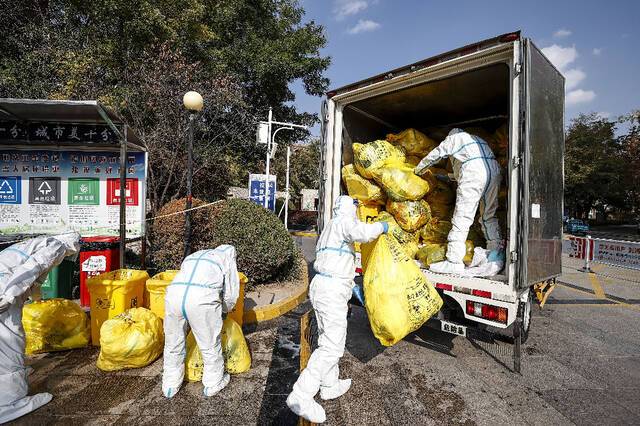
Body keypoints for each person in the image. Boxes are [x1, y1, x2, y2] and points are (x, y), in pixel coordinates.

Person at [286, 195, 388, 423]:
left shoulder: (330, 227)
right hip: (331, 290)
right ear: (349, 208)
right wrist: (383, 226)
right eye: (356, 207)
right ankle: (301, 395)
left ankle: (329, 385)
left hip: (325, 286)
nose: (357, 210)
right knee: (332, 347)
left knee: (326, 337)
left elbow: (336, 261)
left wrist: (352, 286)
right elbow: (363, 233)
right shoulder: (343, 221)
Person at [0, 233, 80, 423]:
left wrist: (32, 297)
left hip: (8, 289)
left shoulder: (34, 244)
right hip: (5, 292)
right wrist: (10, 295)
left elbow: (33, 275)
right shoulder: (57, 246)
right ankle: (12, 401)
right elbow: (33, 267)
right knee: (11, 344)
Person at [414, 128, 503, 274]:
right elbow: (473, 166)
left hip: (474, 173)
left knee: (462, 218)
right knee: (488, 216)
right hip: (493, 173)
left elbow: (437, 154)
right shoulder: (476, 141)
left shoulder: (455, 138)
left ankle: (453, 261)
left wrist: (419, 170)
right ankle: (495, 255)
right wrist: (446, 177)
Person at [162, 244, 239, 398]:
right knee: (209, 343)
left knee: (173, 343)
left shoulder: (195, 256)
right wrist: (224, 310)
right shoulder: (227, 259)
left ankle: (170, 385)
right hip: (201, 300)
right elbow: (231, 295)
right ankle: (213, 383)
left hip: (174, 296)